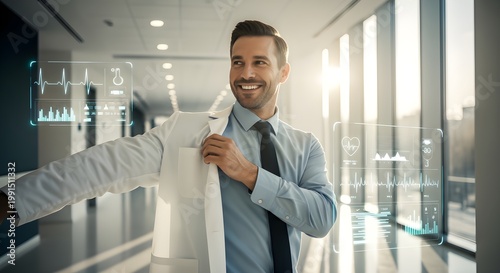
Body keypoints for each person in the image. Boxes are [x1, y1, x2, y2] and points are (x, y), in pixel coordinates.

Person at [0, 20, 336, 273]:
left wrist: (249, 174)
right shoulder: (188, 131)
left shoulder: (306, 147)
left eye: (260, 62)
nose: (245, 72)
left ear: (284, 72)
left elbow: (321, 219)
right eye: (237, 61)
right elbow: (99, 167)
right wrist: (11, 199)